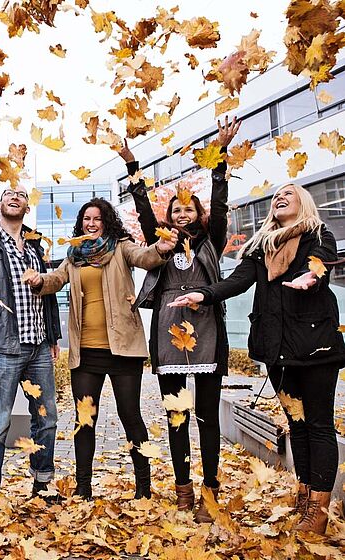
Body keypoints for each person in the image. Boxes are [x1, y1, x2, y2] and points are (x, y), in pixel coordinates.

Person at [170, 183, 345, 535]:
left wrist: (311, 276)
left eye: (289, 194)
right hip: (278, 350)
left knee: (319, 424)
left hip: (315, 346)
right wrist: (202, 294)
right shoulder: (262, 247)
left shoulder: (317, 234)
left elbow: (323, 262)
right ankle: (305, 494)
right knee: (297, 425)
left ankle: (319, 511)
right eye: (277, 195)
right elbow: (236, 282)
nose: (281, 197)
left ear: (303, 203)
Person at [122, 117, 240, 522]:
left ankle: (210, 488)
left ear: (198, 213)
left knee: (206, 415)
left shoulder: (213, 239)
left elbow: (221, 203)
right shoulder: (164, 241)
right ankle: (183, 488)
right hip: (168, 331)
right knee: (177, 415)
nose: (183, 213)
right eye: (177, 209)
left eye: (189, 208)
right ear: (169, 216)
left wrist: (220, 156)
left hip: (207, 327)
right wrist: (132, 165)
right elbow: (142, 209)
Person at [24, 199, 176, 500]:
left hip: (123, 348)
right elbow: (56, 279)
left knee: (130, 416)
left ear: (106, 221)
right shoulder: (75, 256)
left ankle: (143, 488)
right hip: (86, 351)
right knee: (84, 420)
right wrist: (40, 279)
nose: (91, 223)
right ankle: (83, 488)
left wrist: (159, 248)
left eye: (97, 218)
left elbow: (145, 257)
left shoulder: (121, 247)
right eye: (86, 218)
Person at [0, 184, 62, 502]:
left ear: (27, 207)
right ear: (0, 204)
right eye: (8, 194)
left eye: (20, 195)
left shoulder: (36, 244)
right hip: (2, 346)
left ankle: (43, 484)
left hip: (39, 345)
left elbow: (50, 291)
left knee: (47, 418)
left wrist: (54, 336)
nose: (14, 197)